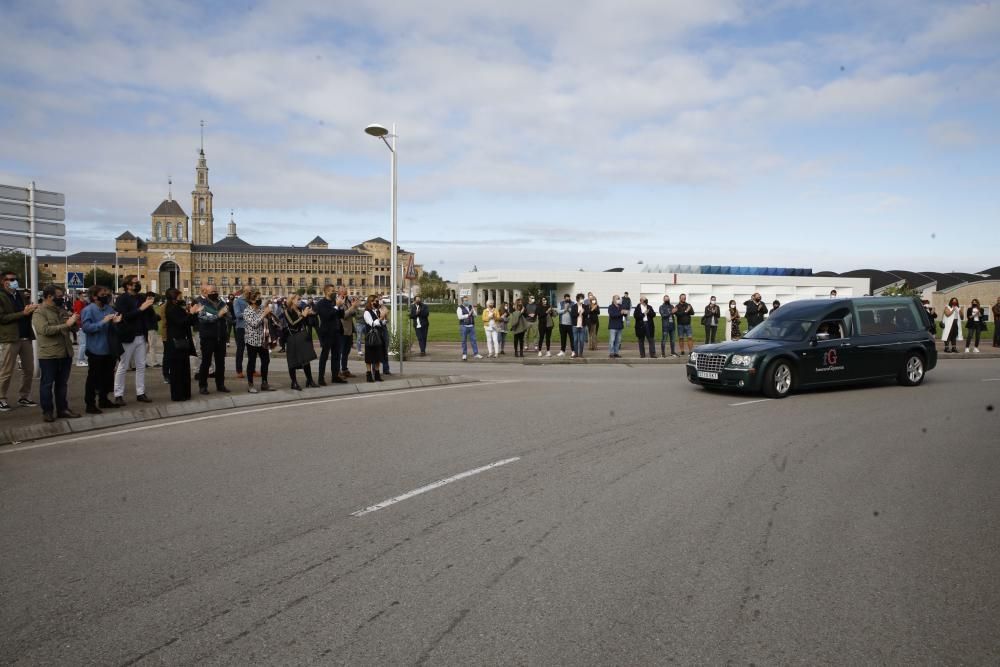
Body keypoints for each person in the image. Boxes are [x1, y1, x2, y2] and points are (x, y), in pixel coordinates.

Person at [32, 285, 80, 422]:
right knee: (47, 384)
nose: (62, 299)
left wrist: (74, 322)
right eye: (59, 296)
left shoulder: (61, 310)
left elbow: (72, 328)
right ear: (49, 296)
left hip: (65, 352)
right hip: (49, 354)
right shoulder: (40, 312)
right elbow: (44, 330)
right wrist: (66, 325)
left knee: (62, 384)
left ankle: (62, 409)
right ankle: (47, 411)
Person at [113, 274, 156, 406]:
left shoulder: (141, 297)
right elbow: (124, 316)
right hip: (128, 336)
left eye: (138, 282)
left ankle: (140, 392)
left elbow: (149, 315)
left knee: (141, 365)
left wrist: (149, 306)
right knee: (123, 365)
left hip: (141, 335)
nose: (137, 284)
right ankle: (118, 394)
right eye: (135, 283)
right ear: (128, 285)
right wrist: (140, 309)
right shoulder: (122, 299)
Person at [0, 271, 38, 412]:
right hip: (10, 338)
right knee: (6, 370)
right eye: (11, 279)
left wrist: (30, 310)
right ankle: (1, 398)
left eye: (15, 279)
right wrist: (23, 313)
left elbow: (25, 314)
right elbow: (2, 318)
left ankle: (24, 396)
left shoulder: (20, 296)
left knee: (29, 369)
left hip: (25, 337)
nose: (14, 281)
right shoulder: (2, 296)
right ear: (4, 281)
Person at [80, 285, 122, 413]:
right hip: (96, 349)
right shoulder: (88, 310)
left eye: (107, 294)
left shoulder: (109, 308)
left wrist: (115, 322)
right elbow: (87, 328)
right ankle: (90, 403)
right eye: (103, 295)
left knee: (107, 376)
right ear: (94, 297)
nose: (106, 297)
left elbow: (113, 328)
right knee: (93, 378)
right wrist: (102, 322)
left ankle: (104, 399)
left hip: (109, 349)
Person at [163, 288, 201, 401]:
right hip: (176, 342)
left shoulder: (177, 308)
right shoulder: (171, 309)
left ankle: (185, 392)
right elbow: (181, 322)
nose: (181, 299)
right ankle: (178, 394)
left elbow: (188, 321)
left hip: (182, 341)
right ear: (174, 297)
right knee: (178, 370)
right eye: (179, 297)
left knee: (184, 368)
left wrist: (193, 313)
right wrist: (192, 313)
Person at [195, 286, 232, 395]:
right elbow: (202, 319)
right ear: (206, 293)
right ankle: (203, 386)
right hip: (208, 337)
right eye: (212, 292)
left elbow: (229, 317)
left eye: (216, 291)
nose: (215, 293)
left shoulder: (221, 303)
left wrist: (226, 314)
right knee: (206, 362)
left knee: (221, 363)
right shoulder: (202, 304)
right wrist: (218, 315)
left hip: (220, 337)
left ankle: (220, 384)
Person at [242, 291, 275, 393]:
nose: (259, 300)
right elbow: (254, 323)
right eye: (257, 298)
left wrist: (268, 314)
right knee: (252, 362)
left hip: (262, 340)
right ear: (251, 300)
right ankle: (250, 384)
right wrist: (264, 314)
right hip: (252, 340)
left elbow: (267, 319)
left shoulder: (260, 308)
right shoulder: (247, 311)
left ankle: (264, 383)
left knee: (266, 361)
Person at [284, 295, 318, 389]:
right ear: (292, 300)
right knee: (293, 361)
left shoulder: (299, 309)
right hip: (292, 338)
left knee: (306, 359)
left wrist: (309, 315)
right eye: (298, 299)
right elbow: (292, 324)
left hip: (302, 336)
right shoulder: (287, 311)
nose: (300, 301)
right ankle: (294, 382)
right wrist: (303, 315)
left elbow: (305, 322)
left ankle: (309, 380)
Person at [315, 285, 347, 385]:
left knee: (336, 355)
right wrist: (337, 306)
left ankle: (335, 376)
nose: (334, 293)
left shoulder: (334, 302)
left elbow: (341, 316)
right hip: (327, 333)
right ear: (326, 292)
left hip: (337, 332)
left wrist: (341, 306)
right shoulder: (321, 303)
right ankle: (321, 378)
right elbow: (326, 316)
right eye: (332, 291)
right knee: (324, 355)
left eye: (334, 291)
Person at [338, 288, 360, 379]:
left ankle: (345, 369)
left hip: (349, 330)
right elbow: (344, 315)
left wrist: (355, 306)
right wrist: (352, 307)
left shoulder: (348, 301)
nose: (346, 293)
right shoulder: (338, 302)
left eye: (346, 291)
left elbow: (353, 314)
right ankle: (338, 371)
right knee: (340, 352)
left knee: (346, 352)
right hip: (342, 331)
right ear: (339, 292)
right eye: (344, 291)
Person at [363, 295, 385, 382]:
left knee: (378, 356)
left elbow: (381, 323)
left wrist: (383, 319)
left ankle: (377, 374)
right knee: (369, 356)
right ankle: (368, 375)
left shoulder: (377, 311)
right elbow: (372, 323)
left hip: (378, 335)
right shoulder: (367, 312)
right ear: (370, 302)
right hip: (370, 336)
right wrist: (380, 319)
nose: (376, 303)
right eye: (374, 301)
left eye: (377, 301)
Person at [456, 296, 482, 360]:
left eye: (467, 300)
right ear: (462, 301)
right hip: (464, 326)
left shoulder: (470, 307)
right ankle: (464, 354)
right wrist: (468, 315)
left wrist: (473, 312)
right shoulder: (459, 308)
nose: (466, 301)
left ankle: (476, 354)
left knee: (474, 340)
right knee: (464, 341)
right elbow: (460, 317)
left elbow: (476, 315)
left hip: (471, 326)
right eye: (465, 300)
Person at [142, 291, 162, 370]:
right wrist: (157, 317)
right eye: (151, 297)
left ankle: (143, 362)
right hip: (150, 328)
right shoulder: (147, 306)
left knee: (147, 346)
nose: (152, 299)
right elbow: (151, 317)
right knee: (151, 345)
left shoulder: (148, 306)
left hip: (149, 327)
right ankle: (154, 362)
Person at [232, 287, 248, 379]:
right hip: (241, 328)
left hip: (251, 328)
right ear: (244, 292)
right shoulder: (238, 301)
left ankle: (252, 369)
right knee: (240, 350)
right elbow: (237, 314)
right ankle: (239, 370)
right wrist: (250, 313)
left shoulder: (252, 301)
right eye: (249, 291)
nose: (251, 293)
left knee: (252, 351)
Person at [72, 292, 88, 367]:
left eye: (86, 295)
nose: (85, 297)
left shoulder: (83, 303)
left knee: (84, 343)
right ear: (79, 296)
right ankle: (80, 360)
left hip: (82, 325)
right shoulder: (79, 303)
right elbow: (79, 314)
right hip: (81, 325)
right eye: (84, 296)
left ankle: (82, 359)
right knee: (83, 344)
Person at [571, 293, 588, 359]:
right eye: (581, 298)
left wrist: (583, 312)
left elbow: (587, 314)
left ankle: (581, 353)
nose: (582, 300)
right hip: (575, 326)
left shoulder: (585, 306)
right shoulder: (574, 306)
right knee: (575, 340)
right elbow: (572, 315)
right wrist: (579, 313)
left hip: (582, 326)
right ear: (577, 299)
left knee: (581, 340)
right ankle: (575, 353)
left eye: (582, 298)